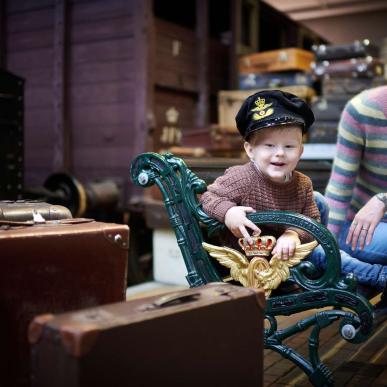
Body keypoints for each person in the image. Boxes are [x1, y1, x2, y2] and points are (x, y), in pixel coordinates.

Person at [200, 89, 387, 295]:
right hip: (258, 263)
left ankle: (358, 279)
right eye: (268, 146)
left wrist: (293, 233)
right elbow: (209, 197)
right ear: (250, 150)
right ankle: (378, 276)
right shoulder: (241, 178)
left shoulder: (302, 183)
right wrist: (229, 212)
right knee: (325, 254)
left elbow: (312, 219)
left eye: (289, 146)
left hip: (290, 253)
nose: (279, 153)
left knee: (324, 239)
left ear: (300, 151)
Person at [325, 85, 387, 262]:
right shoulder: (362, 110)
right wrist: (328, 248)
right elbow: (340, 187)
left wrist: (383, 199)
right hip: (367, 228)